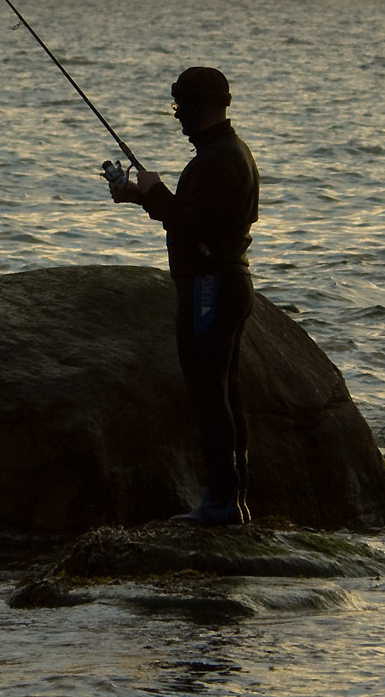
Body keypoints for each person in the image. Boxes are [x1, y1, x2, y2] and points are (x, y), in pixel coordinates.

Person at [109, 66, 260, 526]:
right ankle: (235, 499)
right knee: (226, 392)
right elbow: (198, 218)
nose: (176, 116)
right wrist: (142, 197)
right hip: (225, 283)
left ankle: (220, 503)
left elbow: (191, 224)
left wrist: (154, 193)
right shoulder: (232, 153)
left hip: (208, 288)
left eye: (179, 107)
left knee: (210, 396)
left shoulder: (216, 161)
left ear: (198, 107)